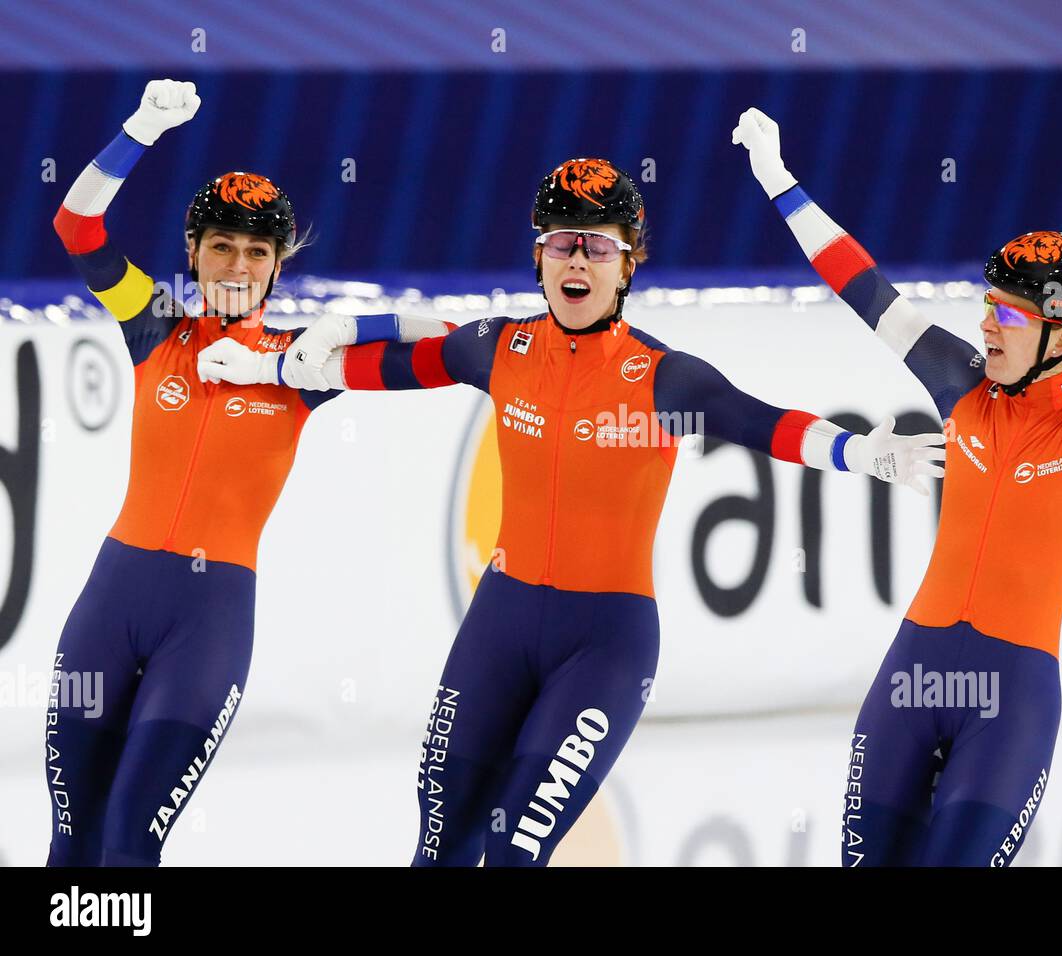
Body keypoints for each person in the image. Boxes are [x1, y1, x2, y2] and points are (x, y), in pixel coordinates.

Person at [197, 156, 947, 866]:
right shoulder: (501, 348)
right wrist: (276, 362)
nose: (578, 262)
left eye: (597, 246)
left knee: (517, 851)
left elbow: (760, 422)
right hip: (501, 624)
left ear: (629, 262)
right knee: (441, 842)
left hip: (605, 648)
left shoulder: (662, 379)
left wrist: (858, 453)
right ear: (539, 258)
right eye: (562, 244)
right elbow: (396, 364)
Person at [732, 106, 1062, 866]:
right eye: (988, 304)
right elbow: (865, 289)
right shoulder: (958, 385)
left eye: (1010, 313)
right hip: (908, 685)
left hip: (1009, 707)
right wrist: (780, 181)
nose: (988, 324)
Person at [45, 79, 449, 866]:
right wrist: (137, 128)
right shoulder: (153, 324)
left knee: (130, 839)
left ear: (276, 266)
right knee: (73, 837)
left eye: (256, 251)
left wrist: (339, 330)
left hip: (207, 624)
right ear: (191, 253)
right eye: (221, 245)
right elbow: (75, 224)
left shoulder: (307, 363)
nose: (236, 263)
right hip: (110, 601)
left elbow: (457, 346)